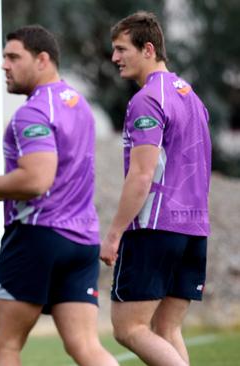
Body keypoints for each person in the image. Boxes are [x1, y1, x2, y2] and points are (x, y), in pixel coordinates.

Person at [0, 25, 118, 366]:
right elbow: (56, 172)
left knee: (5, 345)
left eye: (13, 57)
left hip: (38, 237)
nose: (4, 65)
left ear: (42, 60)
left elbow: (37, 179)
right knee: (85, 346)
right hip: (82, 240)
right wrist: (9, 186)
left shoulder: (32, 113)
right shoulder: (78, 104)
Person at [100, 11, 211, 366]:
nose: (115, 57)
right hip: (194, 229)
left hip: (155, 229)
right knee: (165, 329)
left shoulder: (147, 99)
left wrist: (114, 233)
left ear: (148, 49)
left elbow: (142, 176)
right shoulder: (191, 96)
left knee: (128, 327)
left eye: (121, 49)